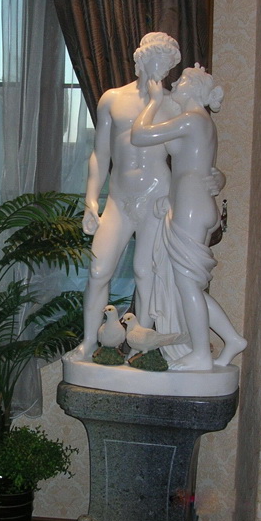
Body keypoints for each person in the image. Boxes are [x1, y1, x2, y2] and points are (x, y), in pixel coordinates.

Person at [71, 32, 181, 360]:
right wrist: (91, 201)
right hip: (118, 199)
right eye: (159, 62)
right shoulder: (113, 99)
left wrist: (177, 195)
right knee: (98, 270)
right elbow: (100, 154)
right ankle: (89, 341)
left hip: (156, 196)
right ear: (142, 59)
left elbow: (186, 159)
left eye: (168, 66)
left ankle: (138, 347)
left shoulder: (174, 104)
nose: (163, 71)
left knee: (145, 272)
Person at [130, 64, 246, 370]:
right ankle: (232, 339)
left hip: (192, 205)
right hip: (191, 202)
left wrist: (154, 101)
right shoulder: (199, 122)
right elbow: (193, 165)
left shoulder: (193, 119)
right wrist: (169, 199)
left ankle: (201, 354)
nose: (175, 84)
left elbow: (139, 135)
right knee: (187, 286)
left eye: (181, 80)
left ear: (194, 88)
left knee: (187, 287)